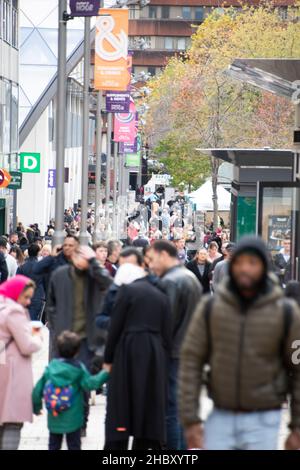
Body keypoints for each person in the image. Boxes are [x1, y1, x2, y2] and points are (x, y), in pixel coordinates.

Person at [179, 236, 300, 450]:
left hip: (265, 417)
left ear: (264, 267)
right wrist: (190, 419)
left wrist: (297, 426)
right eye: (240, 262)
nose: (245, 268)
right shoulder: (210, 308)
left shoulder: (285, 313)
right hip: (221, 414)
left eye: (252, 263)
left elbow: (297, 369)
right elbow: (191, 362)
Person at [103, 273, 172, 450]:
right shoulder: (162, 297)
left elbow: (115, 327)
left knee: (124, 400)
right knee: (149, 401)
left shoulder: (127, 292)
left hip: (128, 349)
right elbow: (167, 335)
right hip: (154, 352)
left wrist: (108, 358)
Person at [47, 246, 112, 433]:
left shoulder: (95, 275)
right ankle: (63, 418)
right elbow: (51, 304)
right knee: (63, 379)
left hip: (87, 339)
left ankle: (81, 422)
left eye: (86, 258)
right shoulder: (60, 275)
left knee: (83, 381)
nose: (82, 261)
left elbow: (110, 284)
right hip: (65, 337)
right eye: (80, 257)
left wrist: (94, 263)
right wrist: (57, 327)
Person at [149, 241, 202, 450]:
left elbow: (166, 321)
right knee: (179, 407)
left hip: (172, 352)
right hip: (186, 350)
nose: (151, 265)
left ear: (163, 255)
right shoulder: (188, 278)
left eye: (153, 259)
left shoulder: (170, 281)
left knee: (170, 409)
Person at [32, 331, 109, 450]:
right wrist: (105, 373)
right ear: (77, 352)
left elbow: (37, 391)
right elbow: (90, 384)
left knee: (53, 445)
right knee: (74, 446)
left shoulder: (51, 368)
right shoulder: (78, 369)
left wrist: (37, 408)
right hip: (74, 419)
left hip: (54, 418)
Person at [0, 276, 43, 450]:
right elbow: (27, 345)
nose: (28, 301)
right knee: (13, 420)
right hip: (13, 371)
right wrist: (37, 337)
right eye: (25, 297)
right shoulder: (14, 311)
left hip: (3, 367)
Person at [96, 248, 144, 331]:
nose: (126, 270)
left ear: (141, 266)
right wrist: (115, 322)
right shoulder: (114, 289)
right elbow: (101, 317)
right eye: (122, 266)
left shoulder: (151, 288)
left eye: (130, 266)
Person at [17, 243, 45, 321]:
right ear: (38, 253)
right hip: (37, 296)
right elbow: (45, 281)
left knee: (22, 320)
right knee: (34, 321)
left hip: (23, 295)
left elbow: (17, 281)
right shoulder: (41, 266)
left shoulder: (22, 266)